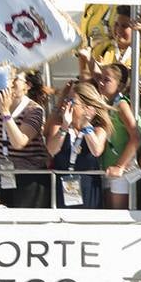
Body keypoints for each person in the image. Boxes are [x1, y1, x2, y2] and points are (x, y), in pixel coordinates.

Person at [0, 69, 51, 209]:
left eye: (15, 79)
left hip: (29, 175)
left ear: (27, 86)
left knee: (27, 222)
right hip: (6, 174)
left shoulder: (34, 110)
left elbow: (19, 142)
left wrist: (6, 114)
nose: (10, 82)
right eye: (8, 78)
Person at [47, 82, 112, 210]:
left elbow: (96, 150)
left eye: (72, 101)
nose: (67, 103)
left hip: (88, 186)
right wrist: (65, 126)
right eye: (67, 99)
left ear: (86, 106)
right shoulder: (58, 126)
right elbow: (51, 150)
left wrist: (85, 124)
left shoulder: (98, 129)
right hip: (63, 185)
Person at [91, 62, 141, 209]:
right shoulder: (107, 105)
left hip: (123, 170)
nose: (101, 83)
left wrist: (120, 166)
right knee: (108, 212)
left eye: (106, 80)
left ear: (119, 86)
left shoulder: (121, 105)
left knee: (118, 214)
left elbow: (136, 137)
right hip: (109, 167)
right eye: (100, 78)